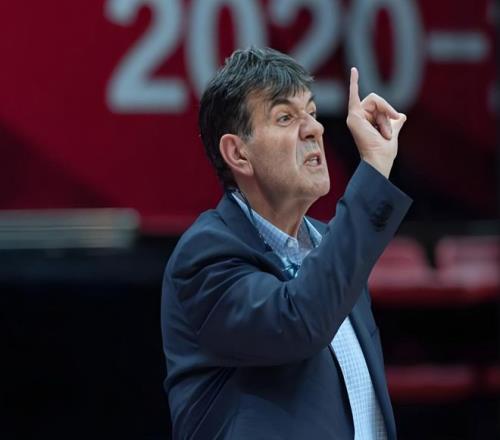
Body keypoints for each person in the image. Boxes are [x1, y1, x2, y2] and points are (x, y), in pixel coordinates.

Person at [161, 47, 411, 440]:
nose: (314, 129)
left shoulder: (333, 246)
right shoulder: (205, 255)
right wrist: (374, 172)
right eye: (285, 117)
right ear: (238, 153)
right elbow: (298, 322)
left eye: (311, 112)